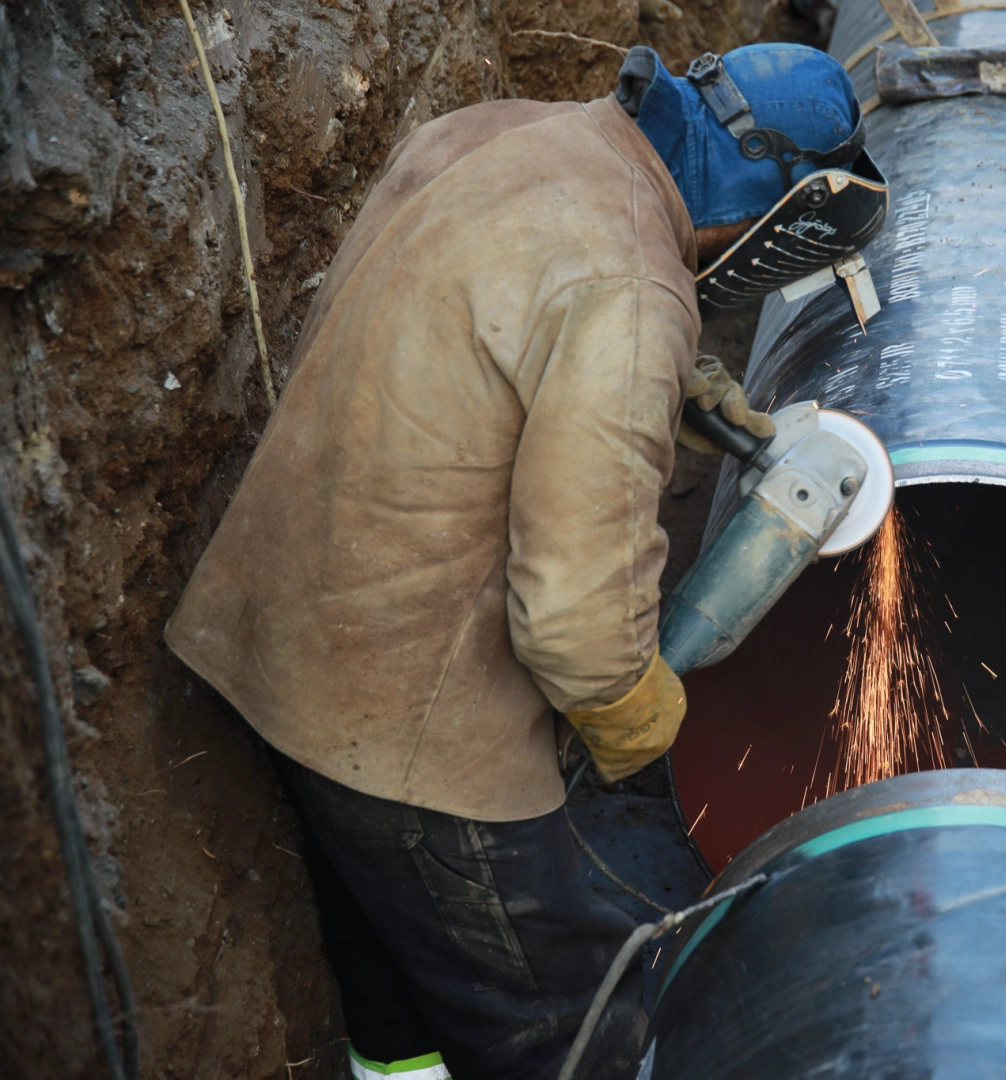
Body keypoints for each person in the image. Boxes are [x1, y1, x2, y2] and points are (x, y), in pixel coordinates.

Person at [164, 43, 880, 1080]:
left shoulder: (502, 132)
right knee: (569, 1028)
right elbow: (579, 624)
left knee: (396, 1004)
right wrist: (649, 716)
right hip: (412, 729)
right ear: (758, 188)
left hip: (279, 634)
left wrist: (671, 381)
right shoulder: (633, 287)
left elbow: (479, 316)